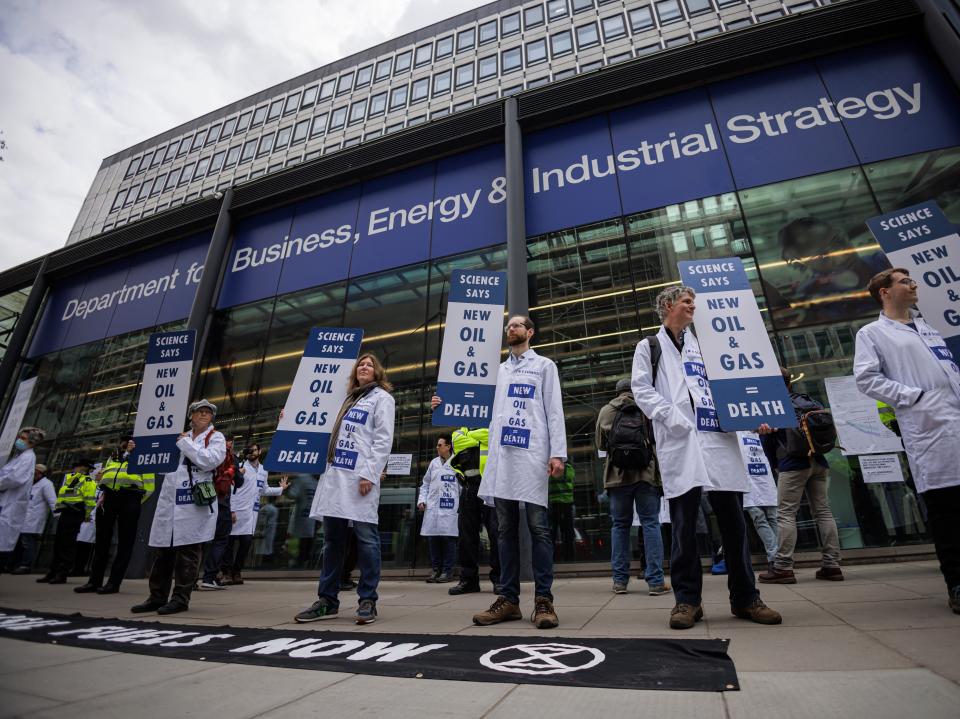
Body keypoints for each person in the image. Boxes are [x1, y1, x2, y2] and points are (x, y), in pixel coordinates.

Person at [632, 286, 781, 630]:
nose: (692, 307)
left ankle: (746, 598)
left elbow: (733, 386)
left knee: (734, 524)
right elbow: (642, 390)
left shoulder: (708, 344)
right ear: (668, 305)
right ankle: (687, 602)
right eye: (687, 302)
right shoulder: (649, 347)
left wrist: (750, 416)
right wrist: (674, 418)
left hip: (719, 440)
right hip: (681, 442)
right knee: (684, 527)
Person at [853, 268, 960, 614]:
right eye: (904, 281)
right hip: (928, 428)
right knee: (946, 511)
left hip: (954, 417)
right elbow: (866, 378)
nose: (913, 285)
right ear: (884, 292)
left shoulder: (929, 328)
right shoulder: (872, 333)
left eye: (911, 280)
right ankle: (957, 583)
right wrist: (913, 397)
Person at [472, 315, 567, 630]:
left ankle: (543, 601)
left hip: (531, 457)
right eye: (507, 326)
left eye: (516, 325)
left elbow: (554, 410)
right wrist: (446, 403)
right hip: (503, 461)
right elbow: (479, 407)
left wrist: (557, 453)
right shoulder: (499, 370)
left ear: (529, 332)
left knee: (539, 529)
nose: (510, 329)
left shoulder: (543, 366)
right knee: (504, 531)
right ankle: (509, 600)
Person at [295, 354, 395, 625]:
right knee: (332, 542)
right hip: (335, 476)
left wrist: (370, 473)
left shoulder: (382, 399)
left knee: (367, 540)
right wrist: (290, 419)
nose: (364, 367)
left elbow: (383, 439)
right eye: (361, 364)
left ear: (377, 372)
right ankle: (327, 600)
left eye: (370, 364)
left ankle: (367, 600)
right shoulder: (347, 400)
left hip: (359, 477)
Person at [131, 399, 226, 615]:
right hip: (170, 498)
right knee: (163, 551)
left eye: (207, 413)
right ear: (191, 415)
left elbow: (209, 460)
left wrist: (185, 443)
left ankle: (181, 598)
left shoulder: (215, 437)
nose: (203, 415)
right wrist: (136, 452)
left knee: (188, 551)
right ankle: (156, 597)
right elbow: (160, 464)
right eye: (199, 412)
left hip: (193, 502)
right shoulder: (176, 436)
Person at [759, 369, 842, 583]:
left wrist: (775, 465)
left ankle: (783, 567)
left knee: (786, 514)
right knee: (823, 512)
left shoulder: (774, 405)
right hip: (819, 462)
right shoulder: (806, 400)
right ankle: (832, 565)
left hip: (793, 463)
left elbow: (768, 442)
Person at [596, 378, 669, 596]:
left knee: (620, 526)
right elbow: (657, 440)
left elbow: (600, 445)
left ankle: (620, 582)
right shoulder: (647, 408)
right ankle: (655, 582)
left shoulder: (606, 410)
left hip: (617, 477)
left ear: (616, 392)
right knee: (650, 524)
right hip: (646, 475)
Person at [75, 436, 156, 595]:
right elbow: (106, 477)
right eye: (123, 443)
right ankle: (94, 581)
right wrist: (105, 491)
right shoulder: (113, 457)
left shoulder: (142, 458)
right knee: (101, 541)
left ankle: (114, 582)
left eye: (129, 442)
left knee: (125, 543)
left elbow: (149, 486)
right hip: (109, 498)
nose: (125, 445)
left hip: (130, 497)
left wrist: (135, 501)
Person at [440, 424, 500, 596]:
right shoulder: (460, 431)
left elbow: (493, 437)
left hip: (490, 488)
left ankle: (500, 579)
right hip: (469, 489)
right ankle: (469, 580)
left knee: (496, 534)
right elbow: (457, 440)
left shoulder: (493, 424)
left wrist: (472, 437)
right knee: (466, 537)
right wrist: (478, 437)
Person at [221, 443, 288, 585]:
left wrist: (280, 489)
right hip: (237, 510)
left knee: (245, 543)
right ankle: (226, 573)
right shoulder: (240, 468)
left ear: (260, 451)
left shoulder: (263, 470)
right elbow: (232, 489)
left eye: (254, 450)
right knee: (229, 543)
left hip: (251, 512)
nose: (252, 452)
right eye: (249, 450)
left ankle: (236, 572)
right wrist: (231, 509)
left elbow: (264, 489)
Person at [40, 460, 97, 584]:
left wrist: (86, 515)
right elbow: (62, 496)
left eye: (77, 466)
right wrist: (58, 510)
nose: (74, 468)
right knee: (59, 544)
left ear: (85, 468)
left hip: (76, 513)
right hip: (65, 513)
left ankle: (62, 573)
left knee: (68, 544)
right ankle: (52, 572)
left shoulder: (88, 482)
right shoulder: (70, 479)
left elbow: (90, 501)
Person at [198, 433, 239, 591]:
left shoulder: (205, 453)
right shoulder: (229, 458)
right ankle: (209, 577)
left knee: (199, 540)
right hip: (221, 503)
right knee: (220, 541)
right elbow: (239, 482)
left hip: (205, 500)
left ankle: (191, 577)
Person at [0, 426, 44, 571]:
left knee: (3, 544)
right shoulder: (20, 456)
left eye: (23, 439)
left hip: (10, 506)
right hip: (7, 503)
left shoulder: (28, 457)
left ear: (32, 442)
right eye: (20, 437)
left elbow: (15, 478)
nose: (19, 441)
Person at [418, 434, 458, 583]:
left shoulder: (456, 461)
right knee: (433, 539)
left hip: (449, 508)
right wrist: (422, 500)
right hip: (433, 507)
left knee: (448, 539)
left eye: (439, 445)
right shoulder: (434, 463)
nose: (437, 447)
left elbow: (461, 487)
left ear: (448, 446)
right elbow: (425, 484)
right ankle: (436, 569)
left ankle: (448, 571)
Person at [738, 432, 779, 571]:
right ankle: (778, 557)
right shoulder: (734, 428)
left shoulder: (761, 426)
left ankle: (778, 558)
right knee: (760, 518)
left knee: (771, 518)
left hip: (765, 479)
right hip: (749, 481)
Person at [12, 464, 54, 574]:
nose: (34, 475)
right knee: (21, 543)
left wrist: (58, 516)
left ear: (41, 474)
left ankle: (25, 566)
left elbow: (53, 501)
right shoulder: (31, 484)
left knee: (28, 544)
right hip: (23, 519)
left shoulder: (46, 484)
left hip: (33, 520)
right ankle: (15, 564)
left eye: (37, 473)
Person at [549, 462, 576, 563]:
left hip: (554, 503)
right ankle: (569, 559)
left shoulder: (551, 467)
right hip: (567, 502)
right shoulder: (570, 468)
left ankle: (553, 559)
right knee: (568, 533)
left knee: (552, 533)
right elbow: (572, 482)